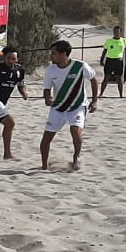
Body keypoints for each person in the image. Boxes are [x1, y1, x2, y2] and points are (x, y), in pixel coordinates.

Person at [40, 40, 98, 172]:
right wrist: (47, 98)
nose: (51, 56)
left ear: (63, 54)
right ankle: (44, 165)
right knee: (46, 138)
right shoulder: (50, 70)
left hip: (77, 106)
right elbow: (47, 88)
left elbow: (94, 80)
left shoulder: (80, 66)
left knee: (75, 131)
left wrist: (94, 101)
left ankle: (76, 157)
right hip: (58, 107)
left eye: (53, 53)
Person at [99, 26, 126, 97]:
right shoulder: (109, 41)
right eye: (115, 32)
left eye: (118, 32)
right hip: (109, 60)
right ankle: (101, 93)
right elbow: (105, 50)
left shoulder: (124, 41)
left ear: (120, 32)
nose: (116, 33)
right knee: (106, 78)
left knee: (119, 78)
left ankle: (121, 95)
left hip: (118, 61)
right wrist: (102, 59)